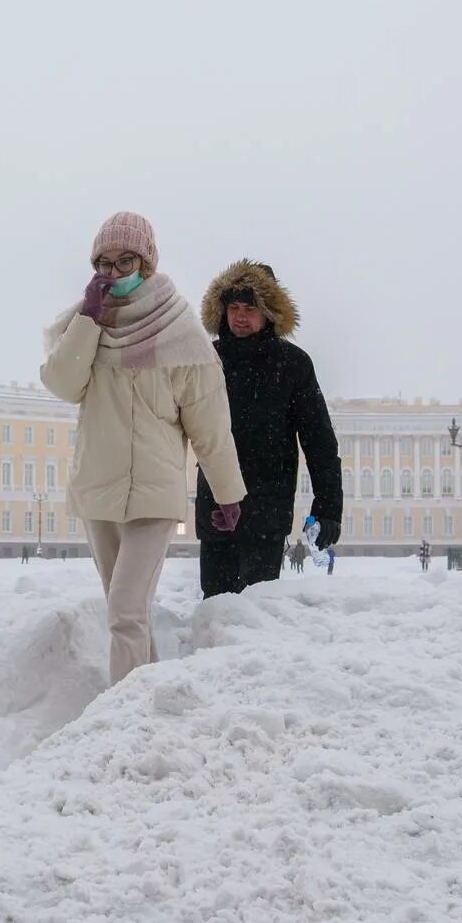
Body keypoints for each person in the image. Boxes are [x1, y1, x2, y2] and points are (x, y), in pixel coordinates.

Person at [42, 211, 246, 685]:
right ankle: (147, 703)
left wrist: (228, 493)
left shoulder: (182, 333)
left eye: (124, 260)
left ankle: (119, 714)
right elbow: (62, 383)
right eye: (103, 263)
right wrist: (89, 320)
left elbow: (210, 427)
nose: (113, 272)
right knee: (127, 610)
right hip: (99, 491)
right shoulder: (85, 323)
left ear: (148, 261)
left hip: (154, 495)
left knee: (126, 610)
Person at [192, 261, 342, 599]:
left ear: (269, 313)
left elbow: (319, 442)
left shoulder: (293, 364)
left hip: (267, 513)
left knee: (260, 612)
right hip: (215, 506)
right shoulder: (205, 361)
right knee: (214, 608)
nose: (241, 317)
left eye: (251, 308)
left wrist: (328, 507)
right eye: (234, 307)